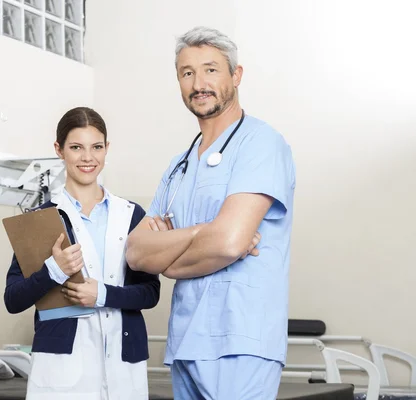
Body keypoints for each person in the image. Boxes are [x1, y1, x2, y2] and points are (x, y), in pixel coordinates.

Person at [126, 26, 296, 400]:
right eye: (187, 73)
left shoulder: (261, 144)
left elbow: (229, 241)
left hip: (241, 337)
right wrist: (203, 233)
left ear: (236, 75)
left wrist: (171, 253)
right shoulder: (179, 165)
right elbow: (137, 253)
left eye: (210, 69)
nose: (198, 82)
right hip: (187, 341)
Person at [4, 106, 160, 400]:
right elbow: (13, 299)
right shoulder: (41, 220)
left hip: (123, 364)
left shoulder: (131, 215)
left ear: (106, 149)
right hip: (62, 368)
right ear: (59, 150)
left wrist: (102, 294)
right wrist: (54, 271)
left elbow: (150, 292)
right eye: (76, 147)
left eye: (96, 147)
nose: (88, 157)